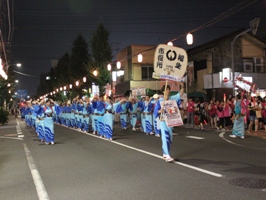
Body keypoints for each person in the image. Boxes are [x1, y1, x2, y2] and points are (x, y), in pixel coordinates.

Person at [154, 82, 184, 163]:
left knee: (170, 138)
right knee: (165, 137)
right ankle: (167, 155)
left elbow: (180, 94)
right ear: (163, 91)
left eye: (168, 90)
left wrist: (182, 86)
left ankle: (165, 153)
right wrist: (160, 110)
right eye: (166, 90)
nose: (168, 91)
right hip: (163, 121)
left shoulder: (172, 98)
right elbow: (156, 112)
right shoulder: (160, 101)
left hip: (171, 121)